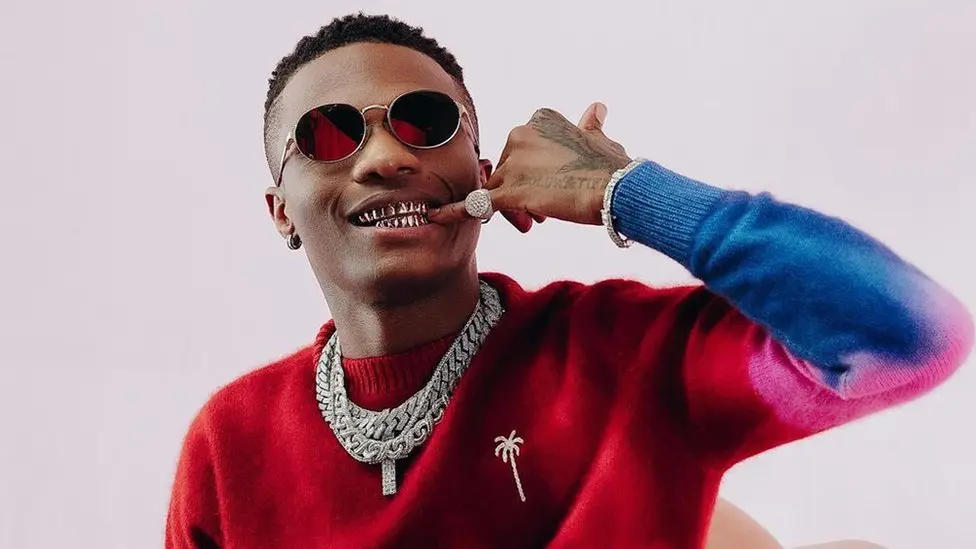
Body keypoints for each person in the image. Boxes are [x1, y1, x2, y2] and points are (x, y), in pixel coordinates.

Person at [165, 13, 972, 549]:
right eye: (327, 134)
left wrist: (629, 193)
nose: (384, 156)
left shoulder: (621, 358)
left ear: (484, 174)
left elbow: (910, 334)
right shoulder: (228, 446)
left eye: (425, 123)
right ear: (281, 209)